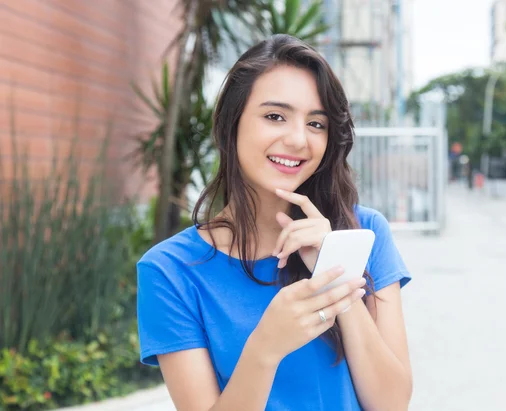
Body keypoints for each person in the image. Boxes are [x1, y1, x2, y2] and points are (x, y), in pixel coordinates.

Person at [137, 34, 413, 411]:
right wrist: (265, 348)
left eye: (316, 123)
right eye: (274, 116)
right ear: (230, 124)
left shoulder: (364, 233)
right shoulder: (170, 270)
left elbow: (392, 404)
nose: (299, 139)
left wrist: (337, 272)